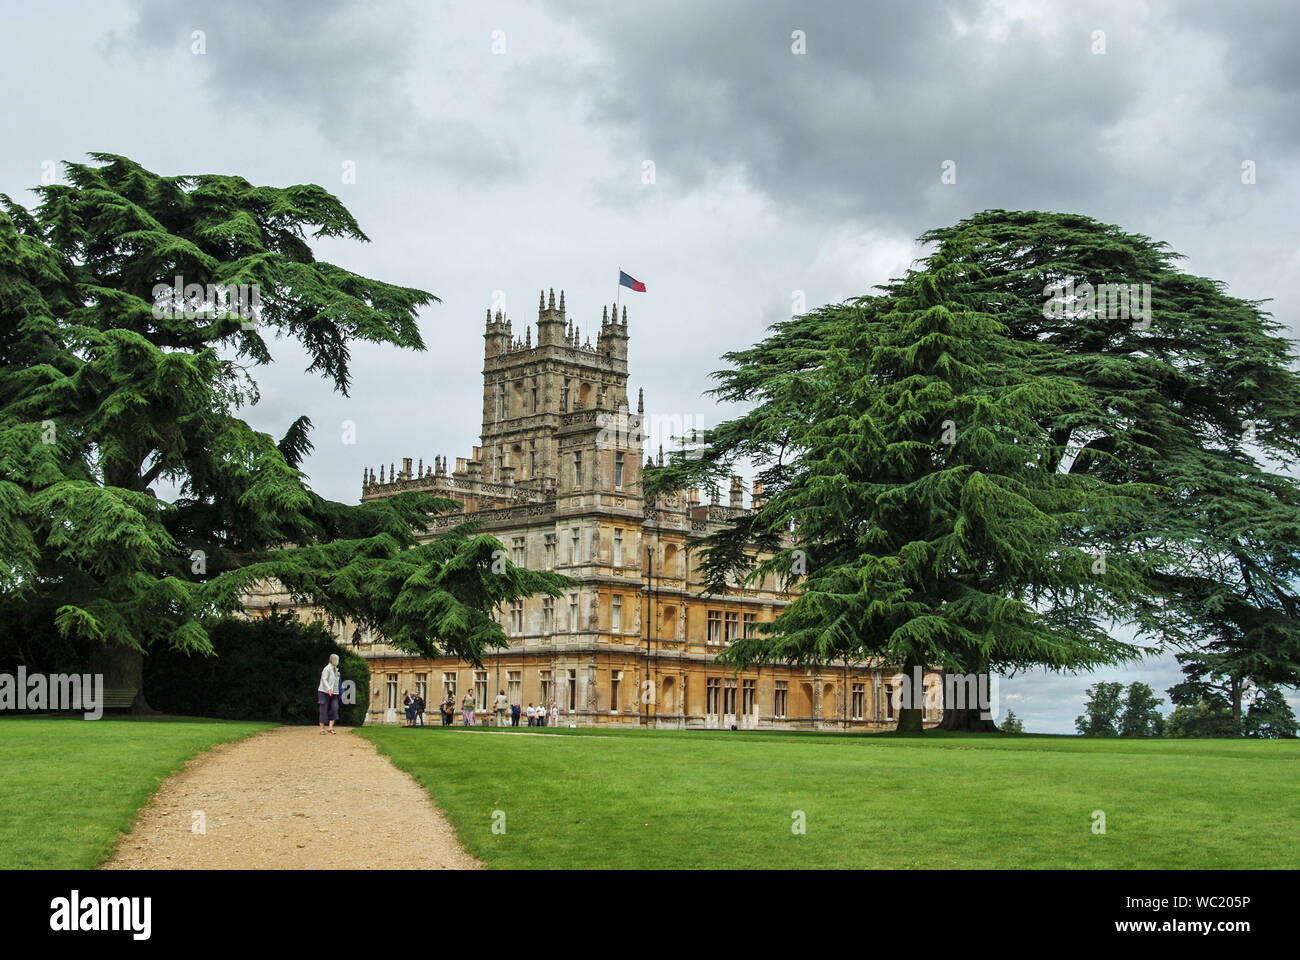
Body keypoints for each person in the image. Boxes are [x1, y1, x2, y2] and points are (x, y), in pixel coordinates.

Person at [317, 654, 341, 735]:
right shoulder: (326, 669)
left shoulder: (336, 670)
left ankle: (330, 727)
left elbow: (335, 682)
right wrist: (329, 689)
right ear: (333, 660)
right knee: (323, 709)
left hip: (334, 692)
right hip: (324, 692)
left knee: (335, 708)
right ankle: (322, 729)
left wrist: (338, 677)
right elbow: (324, 680)